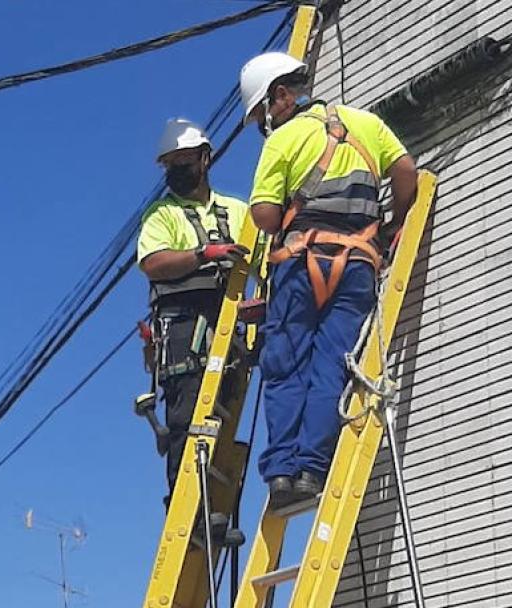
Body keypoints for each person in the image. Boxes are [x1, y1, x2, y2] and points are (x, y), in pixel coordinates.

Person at [238, 52, 418, 506]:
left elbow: (263, 216)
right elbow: (406, 173)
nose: (264, 123)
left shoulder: (283, 139)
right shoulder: (367, 124)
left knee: (286, 364)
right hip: (357, 263)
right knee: (333, 365)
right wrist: (393, 223)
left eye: (262, 113)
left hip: (301, 263)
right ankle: (311, 471)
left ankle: (282, 472)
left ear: (280, 96)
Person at [137, 119, 250, 497]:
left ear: (205, 159)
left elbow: (264, 261)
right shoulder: (161, 215)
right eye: (170, 166)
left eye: (183, 163)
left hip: (228, 320)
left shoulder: (237, 211)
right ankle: (186, 504)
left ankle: (214, 507)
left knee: (224, 415)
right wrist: (204, 254)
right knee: (186, 418)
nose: (176, 173)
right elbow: (154, 263)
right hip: (183, 324)